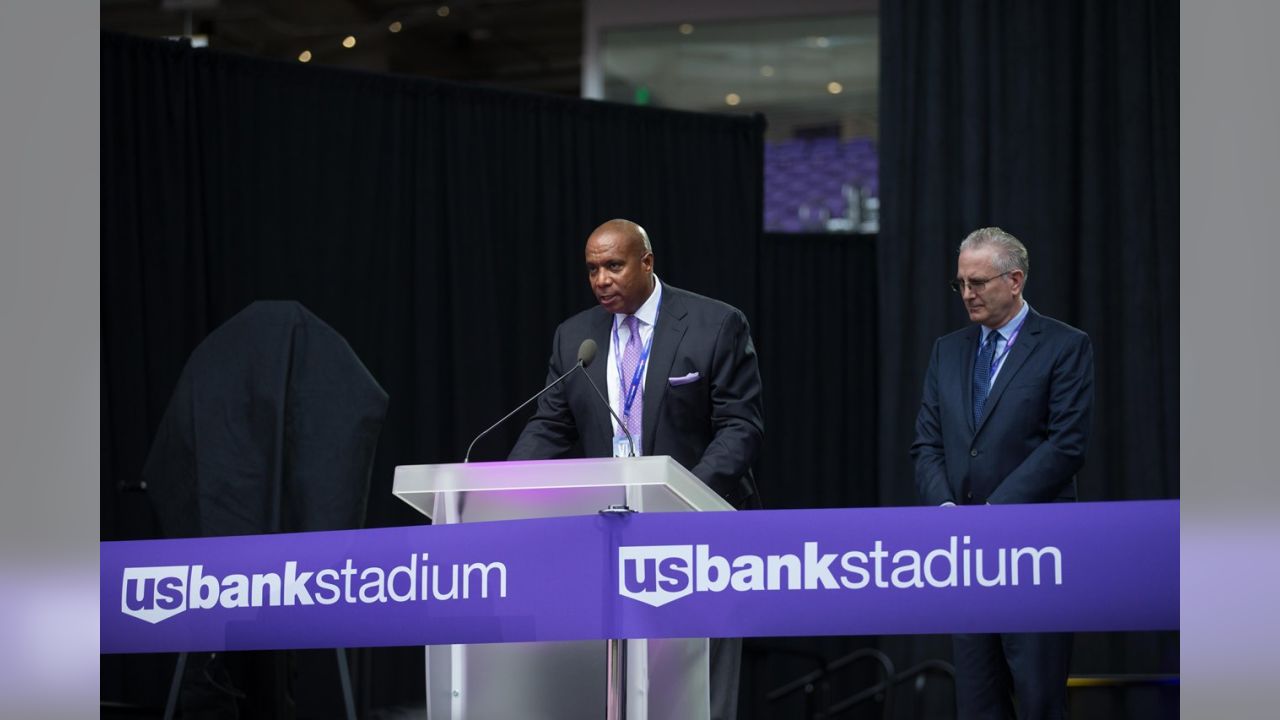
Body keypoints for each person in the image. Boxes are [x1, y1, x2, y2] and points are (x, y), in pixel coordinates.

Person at [510, 218, 764, 719]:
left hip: (697, 538)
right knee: (619, 689)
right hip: (609, 540)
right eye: (592, 269)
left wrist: (680, 495)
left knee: (698, 694)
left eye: (613, 266)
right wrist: (499, 487)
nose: (601, 279)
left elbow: (741, 428)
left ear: (646, 262)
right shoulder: (575, 338)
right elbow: (550, 427)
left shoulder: (715, 323)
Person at [911, 226, 1094, 719]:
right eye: (960, 284)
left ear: (1015, 280)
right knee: (976, 703)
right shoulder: (947, 351)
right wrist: (946, 509)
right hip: (967, 557)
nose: (967, 294)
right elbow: (927, 443)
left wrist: (995, 512)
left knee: (1038, 698)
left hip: (1036, 553)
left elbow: (1066, 444)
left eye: (978, 283)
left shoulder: (1064, 346)